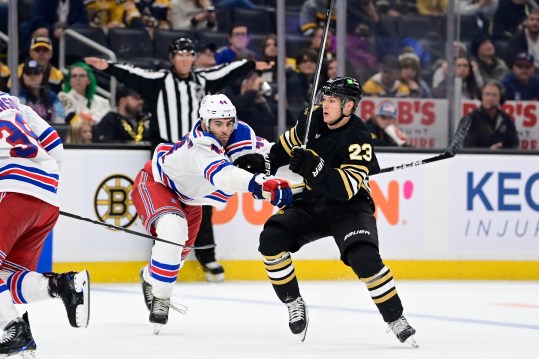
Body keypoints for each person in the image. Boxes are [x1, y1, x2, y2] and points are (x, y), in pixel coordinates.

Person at [233, 77, 418, 346]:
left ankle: (395, 317)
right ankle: (293, 302)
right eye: (324, 98)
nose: (325, 104)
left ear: (349, 106)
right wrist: (265, 162)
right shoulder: (311, 117)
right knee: (270, 240)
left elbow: (346, 188)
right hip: (311, 202)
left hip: (349, 206)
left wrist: (316, 168)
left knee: (365, 259)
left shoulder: (359, 139)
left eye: (332, 100)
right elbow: (284, 149)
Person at [131, 94, 292, 333]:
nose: (225, 129)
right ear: (205, 123)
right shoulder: (200, 145)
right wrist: (259, 183)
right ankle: (162, 297)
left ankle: (150, 276)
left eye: (229, 123)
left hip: (191, 201)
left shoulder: (242, 134)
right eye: (218, 124)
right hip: (157, 184)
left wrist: (302, 160)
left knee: (174, 256)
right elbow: (223, 175)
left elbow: (271, 152)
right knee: (173, 232)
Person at [0, 91, 90, 357]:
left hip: (11, 190)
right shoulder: (11, 101)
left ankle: (13, 328)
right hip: (47, 196)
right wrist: (41, 184)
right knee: (8, 279)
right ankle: (61, 285)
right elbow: (54, 144)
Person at [464, 81, 520, 149]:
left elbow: (514, 144)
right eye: (487, 94)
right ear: (481, 96)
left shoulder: (506, 119)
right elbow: (468, 148)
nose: (490, 98)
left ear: (500, 98)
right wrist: (489, 150)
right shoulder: (471, 119)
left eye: (494, 95)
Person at [17, 59, 65, 124]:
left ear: (43, 76)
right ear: (23, 76)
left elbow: (60, 118)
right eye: (28, 73)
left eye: (36, 73)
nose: (32, 76)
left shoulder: (51, 96)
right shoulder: (16, 95)